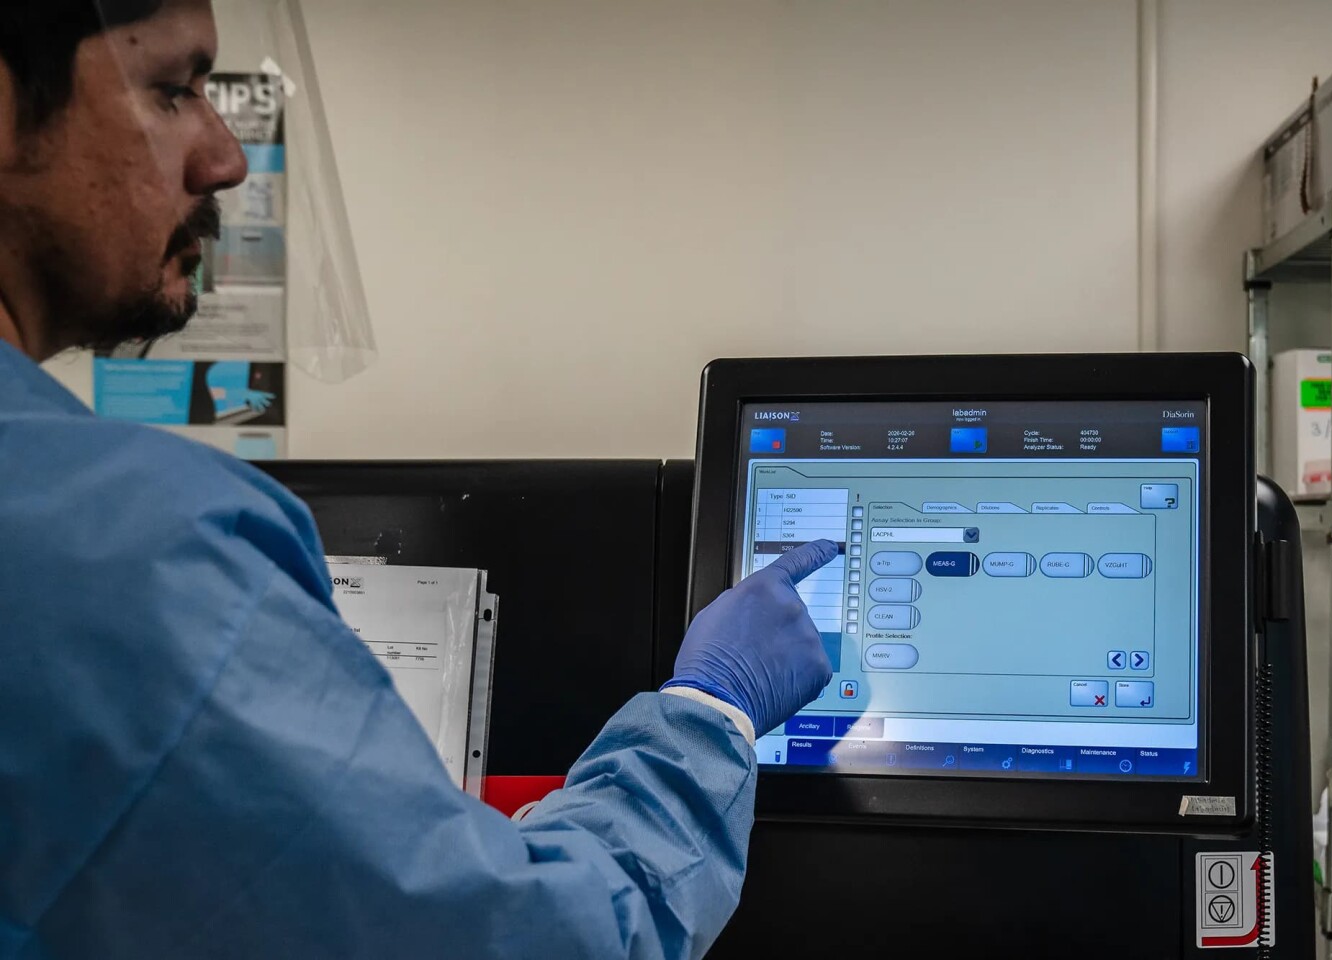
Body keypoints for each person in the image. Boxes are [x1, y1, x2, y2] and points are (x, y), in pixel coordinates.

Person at [0, 3, 836, 957]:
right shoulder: (129, 551)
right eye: (173, 90)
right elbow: (546, 941)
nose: (226, 158)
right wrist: (711, 709)